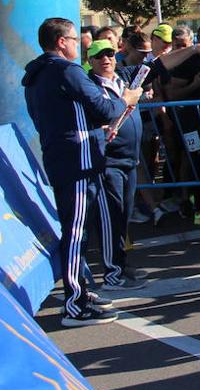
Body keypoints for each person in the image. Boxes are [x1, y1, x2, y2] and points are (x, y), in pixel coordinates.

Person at [23, 19, 145, 326]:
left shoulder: (35, 75)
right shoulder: (67, 70)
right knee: (76, 232)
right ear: (62, 42)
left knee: (78, 230)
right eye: (76, 39)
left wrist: (94, 131)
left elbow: (53, 118)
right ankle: (74, 305)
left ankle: (80, 291)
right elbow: (105, 109)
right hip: (78, 161)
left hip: (65, 156)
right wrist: (126, 100)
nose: (80, 45)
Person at [86, 38, 147, 290]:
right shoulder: (89, 86)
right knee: (110, 217)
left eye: (110, 54)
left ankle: (121, 265)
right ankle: (112, 274)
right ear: (90, 60)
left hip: (130, 160)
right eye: (100, 56)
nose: (106, 59)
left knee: (123, 217)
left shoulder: (123, 79)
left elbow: (158, 62)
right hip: (108, 162)